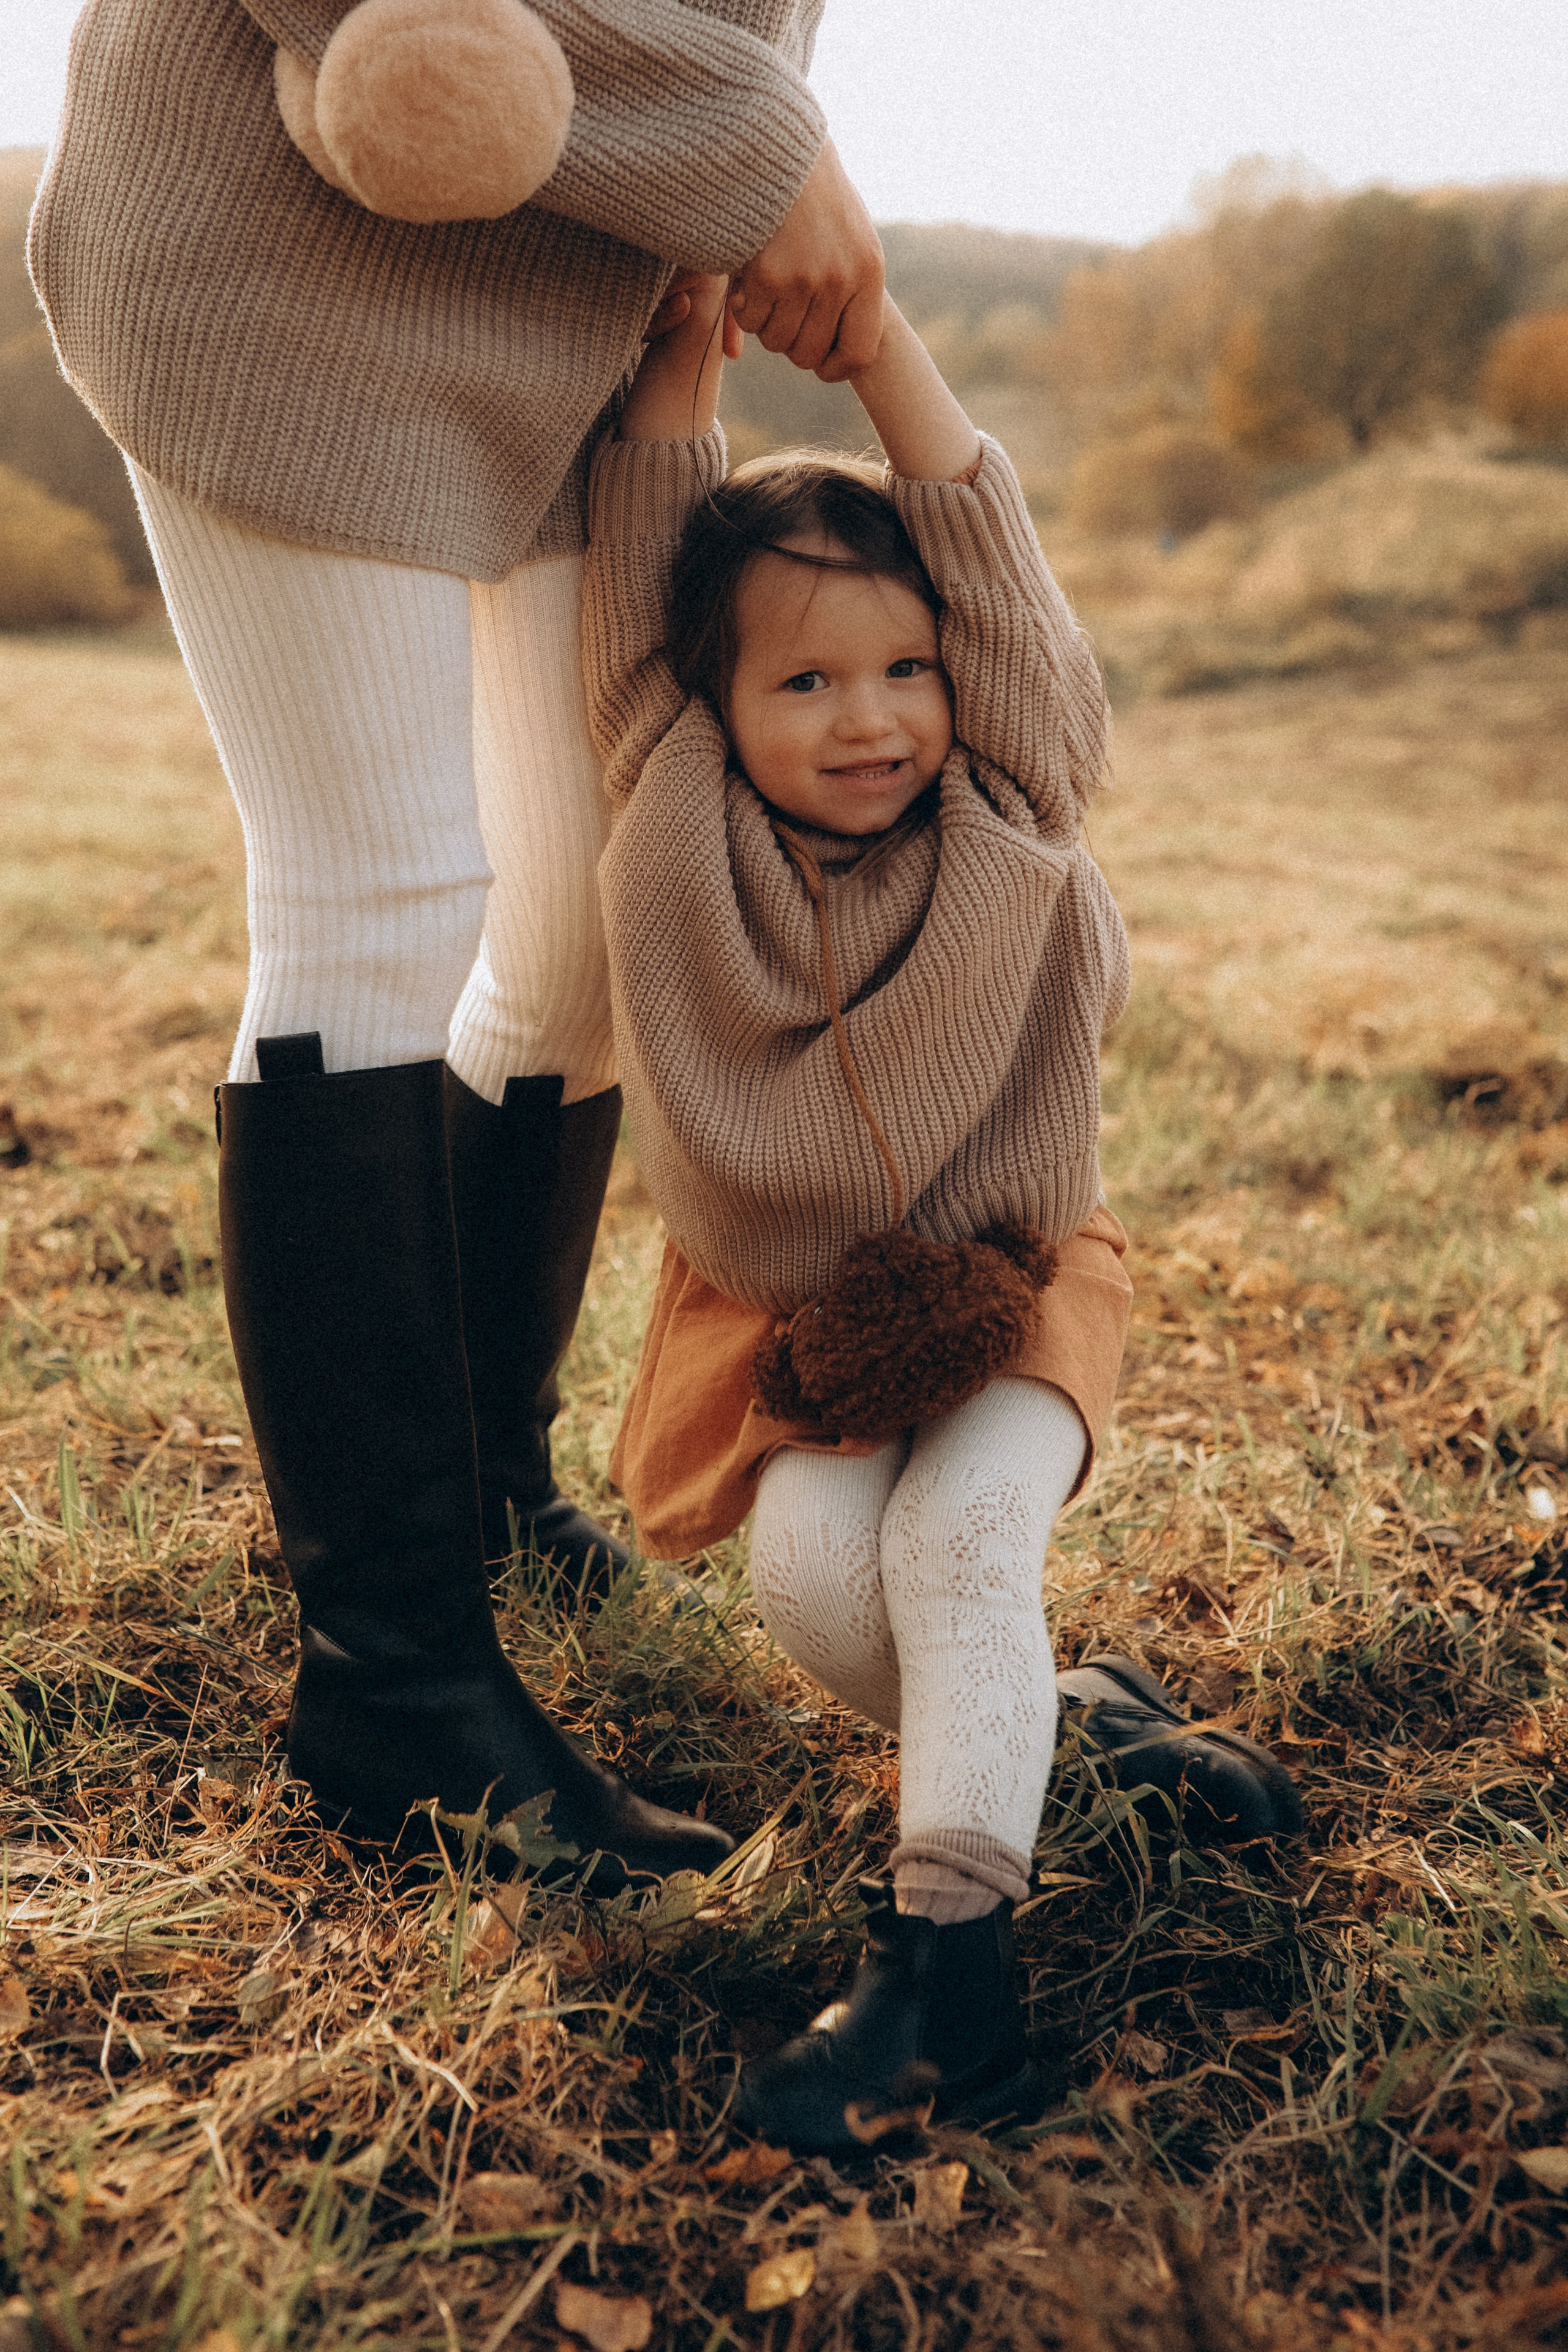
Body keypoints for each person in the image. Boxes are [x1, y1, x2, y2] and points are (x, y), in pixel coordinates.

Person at [28, 0, 882, 1880]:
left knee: (586, 915)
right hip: (289, 271)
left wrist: (697, 199)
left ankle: (486, 1490)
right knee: (379, 893)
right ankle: (392, 1681)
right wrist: (753, 148)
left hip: (573, 305)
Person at [582, 280, 1303, 2144]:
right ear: (715, 701)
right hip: (805, 1320)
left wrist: (880, 349)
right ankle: (1087, 1725)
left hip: (1012, 1278)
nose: (870, 717)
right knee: (821, 1592)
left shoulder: (1008, 793)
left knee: (964, 1550)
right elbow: (635, 604)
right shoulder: (670, 813)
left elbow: (1002, 597)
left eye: (905, 667)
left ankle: (953, 1997)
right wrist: (680, 377)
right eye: (806, 680)